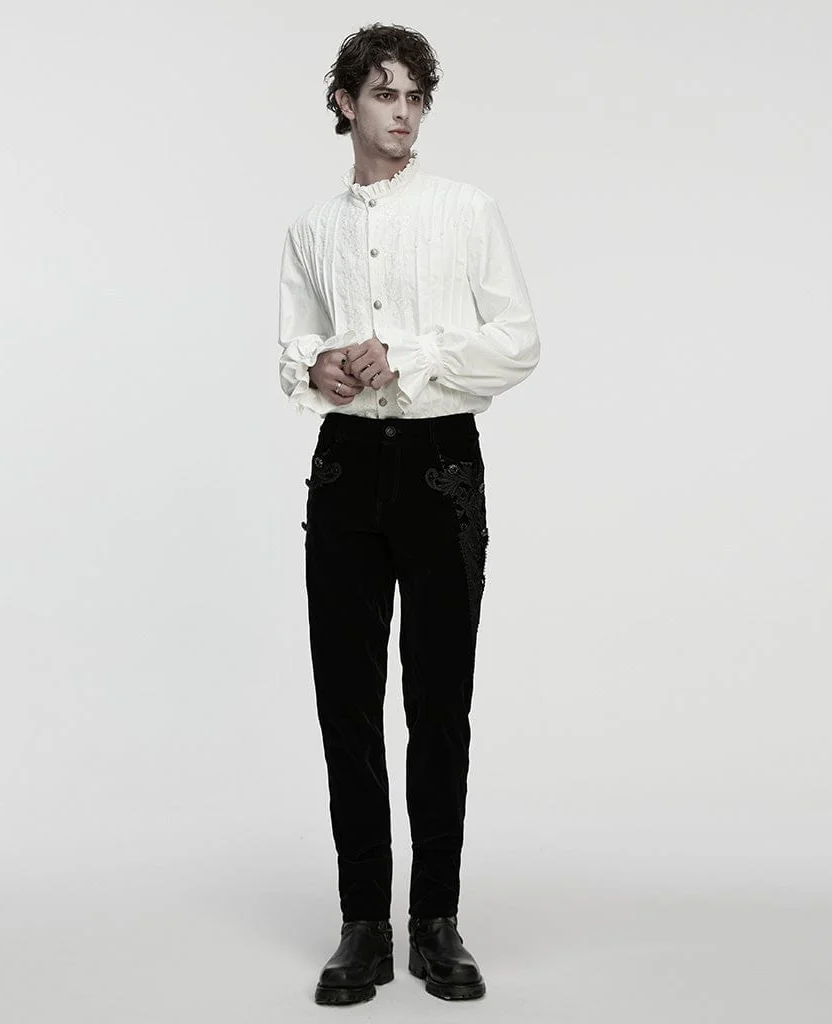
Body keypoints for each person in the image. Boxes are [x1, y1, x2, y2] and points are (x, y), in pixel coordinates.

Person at [277, 22, 540, 1006]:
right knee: (345, 700)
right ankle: (362, 925)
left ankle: (435, 921)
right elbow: (292, 348)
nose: (404, 112)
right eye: (385, 93)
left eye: (416, 96)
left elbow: (517, 341)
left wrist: (411, 357)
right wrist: (320, 367)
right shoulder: (310, 230)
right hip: (345, 469)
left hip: (439, 466)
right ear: (345, 103)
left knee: (438, 701)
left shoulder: (467, 211)